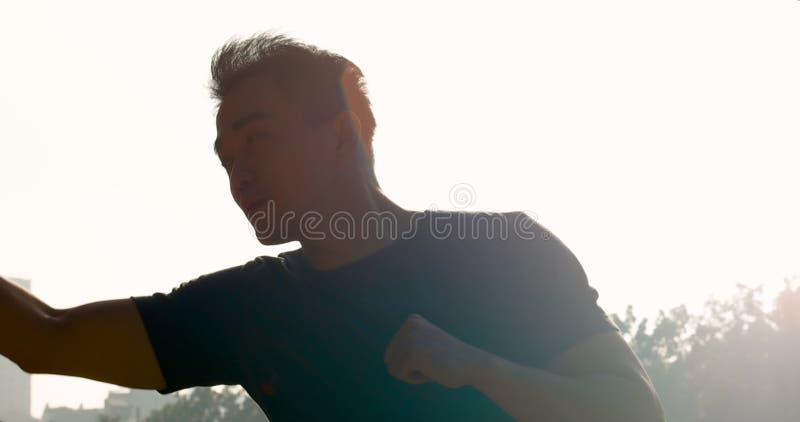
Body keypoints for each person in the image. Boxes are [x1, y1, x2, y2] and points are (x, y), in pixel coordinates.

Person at [0, 32, 665, 421]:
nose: (238, 173)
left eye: (256, 140)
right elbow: (44, 340)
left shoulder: (501, 253)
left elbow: (635, 413)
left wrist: (477, 367)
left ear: (343, 135)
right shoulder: (245, 309)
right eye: (226, 158)